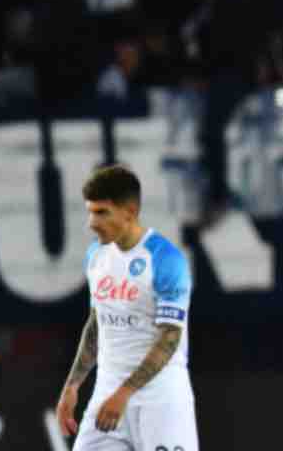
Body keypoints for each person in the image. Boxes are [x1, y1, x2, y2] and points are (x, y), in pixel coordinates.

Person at [55, 165, 198, 451]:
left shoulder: (166, 259)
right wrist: (72, 385)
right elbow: (97, 323)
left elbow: (169, 338)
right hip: (107, 395)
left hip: (160, 401)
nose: (91, 223)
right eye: (90, 212)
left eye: (101, 213)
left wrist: (125, 394)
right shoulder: (96, 256)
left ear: (129, 212)